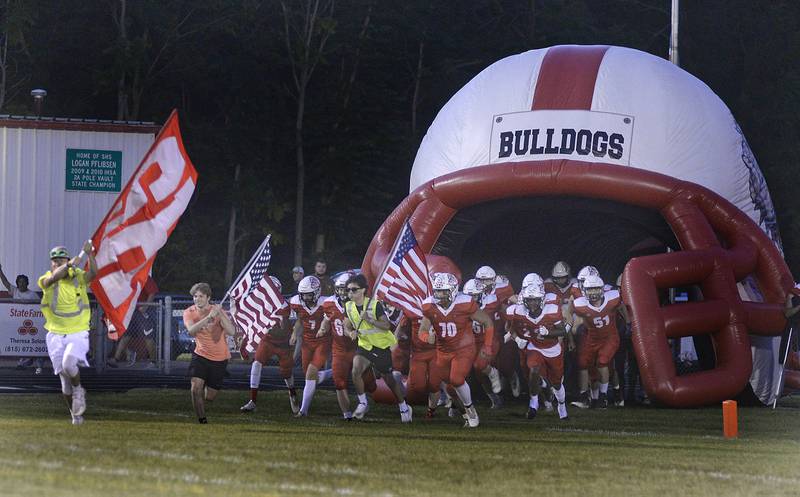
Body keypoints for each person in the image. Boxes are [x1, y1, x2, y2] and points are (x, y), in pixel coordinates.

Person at [419, 273, 494, 428]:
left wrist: (487, 345)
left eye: (444, 291)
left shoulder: (464, 303)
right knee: (450, 389)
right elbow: (422, 331)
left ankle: (470, 409)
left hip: (464, 348)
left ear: (453, 290)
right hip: (443, 351)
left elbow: (487, 321)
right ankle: (465, 415)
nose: (439, 294)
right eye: (437, 291)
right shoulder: (429, 306)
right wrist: (428, 338)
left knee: (457, 379)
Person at [38, 243, 96, 425]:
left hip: (77, 331)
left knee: (69, 363)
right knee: (64, 378)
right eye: (54, 261)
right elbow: (54, 277)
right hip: (55, 333)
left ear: (66, 259)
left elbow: (93, 274)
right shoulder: (46, 278)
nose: (57, 263)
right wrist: (71, 263)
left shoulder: (77, 276)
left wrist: (90, 255)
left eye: (60, 260)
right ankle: (75, 414)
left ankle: (79, 389)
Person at [343, 273, 411, 423]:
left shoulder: (374, 305)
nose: (350, 293)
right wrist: (350, 332)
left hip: (381, 346)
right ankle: (363, 402)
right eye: (348, 290)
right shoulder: (348, 306)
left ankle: (403, 405)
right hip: (364, 345)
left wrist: (370, 319)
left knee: (389, 380)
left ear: (363, 290)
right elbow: (346, 324)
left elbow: (386, 325)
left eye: (354, 290)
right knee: (355, 370)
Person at [318, 272, 377, 420]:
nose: (342, 292)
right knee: (339, 382)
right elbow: (326, 319)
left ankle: (364, 401)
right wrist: (322, 328)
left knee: (371, 385)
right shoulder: (329, 303)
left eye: (346, 289)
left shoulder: (362, 303)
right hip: (339, 350)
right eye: (340, 289)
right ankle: (347, 415)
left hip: (358, 349)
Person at [508, 283, 570, 420]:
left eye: (535, 299)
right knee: (534, 370)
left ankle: (562, 406)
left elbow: (563, 331)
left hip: (552, 349)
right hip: (534, 347)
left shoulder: (552, 310)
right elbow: (512, 328)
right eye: (529, 300)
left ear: (541, 299)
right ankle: (533, 403)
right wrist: (516, 338)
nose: (532, 303)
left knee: (557, 383)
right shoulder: (519, 312)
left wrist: (549, 332)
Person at [240, 276, 299, 414]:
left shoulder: (285, 306)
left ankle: (292, 392)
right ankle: (253, 401)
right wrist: (244, 346)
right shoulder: (259, 307)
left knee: (286, 374)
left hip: (284, 344)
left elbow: (288, 325)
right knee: (256, 364)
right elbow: (251, 327)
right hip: (268, 341)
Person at [571, 274, 629, 409]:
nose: (593, 293)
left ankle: (604, 397)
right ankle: (587, 398)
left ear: (602, 288)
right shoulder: (580, 303)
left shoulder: (612, 297)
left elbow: (621, 307)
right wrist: (572, 326)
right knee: (585, 364)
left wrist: (628, 323)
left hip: (610, 337)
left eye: (596, 289)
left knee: (603, 363)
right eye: (590, 289)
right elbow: (569, 311)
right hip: (592, 338)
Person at [183, 282, 236, 423]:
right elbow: (191, 331)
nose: (197, 299)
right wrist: (208, 318)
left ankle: (206, 385)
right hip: (200, 355)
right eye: (195, 296)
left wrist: (220, 314)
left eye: (201, 296)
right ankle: (202, 420)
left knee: (209, 397)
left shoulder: (217, 310)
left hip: (220, 358)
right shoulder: (189, 312)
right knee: (195, 389)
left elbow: (231, 331)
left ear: (208, 297)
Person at [289, 275, 333, 417]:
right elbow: (299, 321)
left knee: (311, 372)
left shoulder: (325, 303)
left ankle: (303, 410)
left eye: (309, 295)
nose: (305, 298)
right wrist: (295, 334)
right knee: (310, 375)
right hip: (307, 343)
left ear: (317, 292)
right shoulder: (296, 302)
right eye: (303, 295)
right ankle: (333, 372)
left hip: (322, 341)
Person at [462, 279, 503, 407]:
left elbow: (505, 308)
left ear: (481, 294)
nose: (472, 299)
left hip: (490, 339)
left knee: (480, 365)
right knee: (478, 374)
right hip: (473, 343)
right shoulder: (462, 306)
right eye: (469, 296)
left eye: (474, 295)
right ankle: (494, 399)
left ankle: (493, 373)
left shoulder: (491, 301)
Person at [1, 263, 46, 373]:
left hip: (31, 324)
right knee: (20, 343)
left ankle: (39, 365)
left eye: (24, 282)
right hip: (17, 325)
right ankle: (24, 361)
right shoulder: (15, 291)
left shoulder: (32, 295)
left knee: (35, 343)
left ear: (27, 283)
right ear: (17, 283)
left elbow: (40, 309)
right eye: (20, 282)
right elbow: (6, 283)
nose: (22, 284)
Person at [107, 276, 159, 368]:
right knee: (126, 335)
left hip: (143, 311)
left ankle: (153, 362)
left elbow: (152, 292)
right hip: (131, 310)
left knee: (148, 336)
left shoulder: (144, 276)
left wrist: (145, 307)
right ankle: (116, 359)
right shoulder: (128, 277)